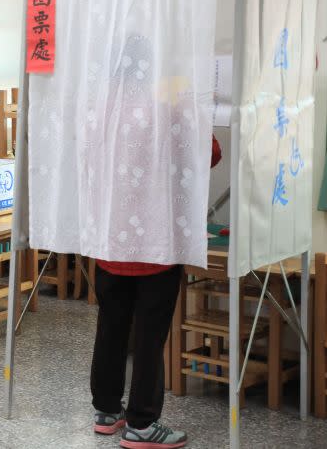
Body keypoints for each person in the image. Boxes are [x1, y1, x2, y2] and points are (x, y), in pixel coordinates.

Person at [91, 135, 222, 449]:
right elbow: (211, 152)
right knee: (149, 337)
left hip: (111, 241)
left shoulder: (106, 105)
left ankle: (107, 412)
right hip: (155, 246)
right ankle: (142, 423)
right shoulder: (172, 108)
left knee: (111, 328)